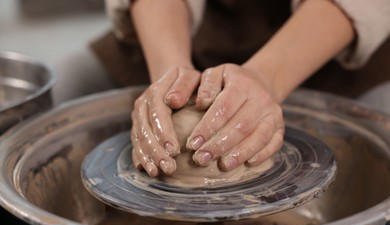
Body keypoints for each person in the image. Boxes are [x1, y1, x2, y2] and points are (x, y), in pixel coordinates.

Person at [53, 0, 390, 177]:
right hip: (194, 23)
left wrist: (265, 77)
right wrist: (170, 75)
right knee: (64, 88)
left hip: (330, 34)